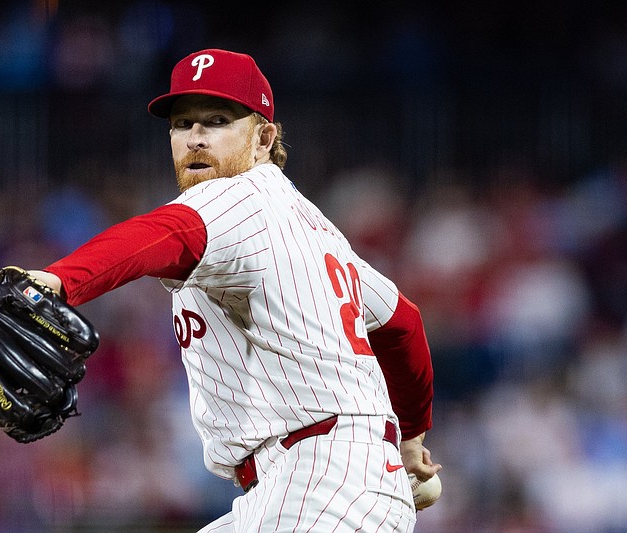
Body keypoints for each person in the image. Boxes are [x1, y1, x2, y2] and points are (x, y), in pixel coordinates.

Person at [25, 48, 440, 532]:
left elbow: (163, 234)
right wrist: (408, 439)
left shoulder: (239, 197)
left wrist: (55, 281)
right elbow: (400, 322)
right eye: (183, 125)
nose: (196, 139)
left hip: (324, 482)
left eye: (217, 120)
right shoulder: (307, 226)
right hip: (308, 484)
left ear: (264, 138)